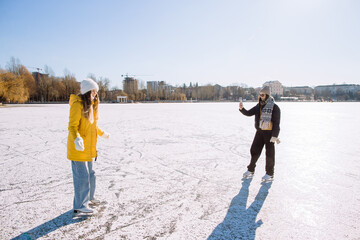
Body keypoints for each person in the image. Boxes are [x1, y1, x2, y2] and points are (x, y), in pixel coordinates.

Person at [67, 78, 110, 214]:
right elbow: (72, 126)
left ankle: (89, 198)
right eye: (93, 91)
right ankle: (80, 204)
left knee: (91, 174)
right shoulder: (77, 105)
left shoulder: (90, 106)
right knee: (82, 176)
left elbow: (93, 126)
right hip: (78, 147)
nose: (95, 94)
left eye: (96, 92)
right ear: (87, 91)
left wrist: (102, 133)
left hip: (89, 147)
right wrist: (77, 139)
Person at [238, 86, 280, 182]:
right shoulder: (259, 106)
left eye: (263, 95)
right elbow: (249, 113)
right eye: (260, 95)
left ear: (267, 95)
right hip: (260, 132)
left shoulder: (274, 107)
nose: (261, 97)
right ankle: (251, 170)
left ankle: (269, 174)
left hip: (269, 134)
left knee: (269, 154)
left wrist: (275, 135)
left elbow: (277, 123)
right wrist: (242, 109)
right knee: (254, 150)